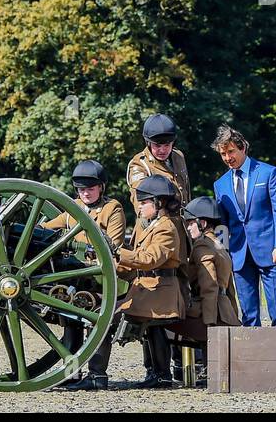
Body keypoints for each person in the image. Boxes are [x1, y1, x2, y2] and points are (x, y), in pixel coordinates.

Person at [45, 160, 126, 391]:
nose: (85, 193)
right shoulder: (74, 207)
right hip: (76, 277)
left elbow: (114, 245)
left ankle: (97, 375)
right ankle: (71, 373)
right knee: (71, 323)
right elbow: (48, 227)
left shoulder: (113, 209)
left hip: (101, 278)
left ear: (101, 187)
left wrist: (88, 226)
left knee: (97, 324)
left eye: (90, 188)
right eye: (81, 189)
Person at [211, 124, 276, 327]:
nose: (228, 158)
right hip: (239, 254)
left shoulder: (269, 173)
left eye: (231, 152)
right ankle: (252, 358)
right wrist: (222, 252)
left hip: (271, 251)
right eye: (223, 154)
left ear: (243, 148)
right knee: (248, 315)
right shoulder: (220, 184)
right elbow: (222, 222)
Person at [114, 175, 187, 388]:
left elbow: (149, 259)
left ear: (159, 203)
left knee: (152, 328)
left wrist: (119, 254)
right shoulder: (150, 225)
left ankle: (162, 374)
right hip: (149, 288)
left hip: (160, 290)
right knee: (150, 331)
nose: (140, 206)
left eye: (144, 202)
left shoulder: (166, 227)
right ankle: (155, 373)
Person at [171, 196, 241, 387]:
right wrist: (233, 314)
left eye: (191, 223)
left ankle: (161, 372)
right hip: (224, 310)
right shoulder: (219, 245)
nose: (188, 228)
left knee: (162, 326)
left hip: (211, 310)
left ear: (202, 223)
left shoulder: (201, 246)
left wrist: (209, 323)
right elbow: (229, 288)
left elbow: (209, 286)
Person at [126, 113, 190, 207]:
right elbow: (139, 201)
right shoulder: (139, 165)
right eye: (157, 145)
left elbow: (186, 191)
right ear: (148, 143)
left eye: (167, 145)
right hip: (158, 220)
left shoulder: (178, 157)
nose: (162, 150)